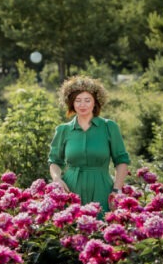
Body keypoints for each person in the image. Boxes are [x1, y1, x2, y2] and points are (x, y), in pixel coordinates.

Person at [48, 75, 130, 213]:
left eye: (87, 100)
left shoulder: (109, 127)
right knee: (71, 230)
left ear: (95, 102)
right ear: (72, 104)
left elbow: (121, 160)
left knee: (102, 228)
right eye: (78, 100)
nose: (82, 105)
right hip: (71, 189)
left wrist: (117, 189)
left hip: (102, 188)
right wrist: (57, 179)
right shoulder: (63, 130)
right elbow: (54, 161)